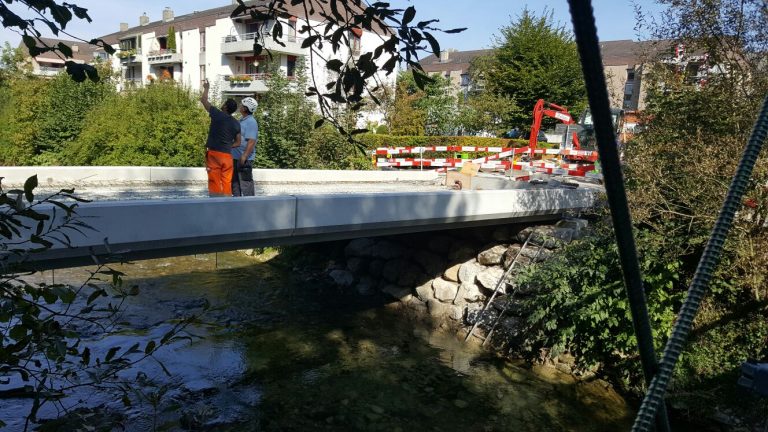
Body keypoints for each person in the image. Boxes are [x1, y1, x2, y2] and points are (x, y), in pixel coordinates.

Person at [200, 79, 241, 197]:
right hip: (227, 156)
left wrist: (206, 87)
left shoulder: (217, 114)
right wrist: (228, 145)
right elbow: (238, 142)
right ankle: (227, 203)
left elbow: (203, 100)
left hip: (214, 154)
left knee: (214, 180)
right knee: (227, 181)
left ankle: (215, 203)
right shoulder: (236, 123)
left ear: (225, 106)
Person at [232, 97, 258, 196]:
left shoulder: (251, 122)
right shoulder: (242, 120)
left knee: (246, 184)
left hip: (244, 159)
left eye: (242, 105)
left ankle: (250, 206)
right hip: (236, 157)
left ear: (245, 108)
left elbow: (251, 141)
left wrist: (244, 156)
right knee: (235, 184)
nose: (240, 106)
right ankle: (237, 205)